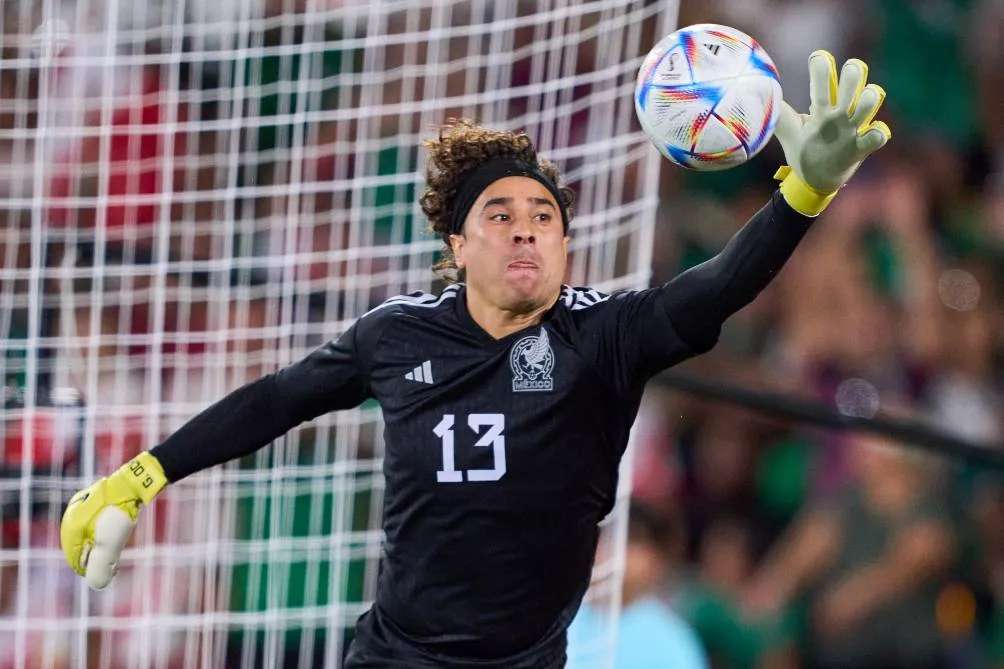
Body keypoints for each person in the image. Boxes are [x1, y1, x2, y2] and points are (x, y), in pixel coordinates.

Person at [59, 51, 891, 668]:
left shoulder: (603, 335)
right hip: (392, 656)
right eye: (501, 213)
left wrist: (801, 195)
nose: (527, 226)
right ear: (458, 244)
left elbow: (718, 287)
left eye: (544, 214)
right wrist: (142, 476)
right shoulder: (396, 334)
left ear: (566, 243)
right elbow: (278, 400)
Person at [568, 502, 709, 669]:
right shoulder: (557, 619)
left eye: (631, 541)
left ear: (657, 559)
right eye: (603, 536)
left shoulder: (672, 641)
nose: (611, 550)